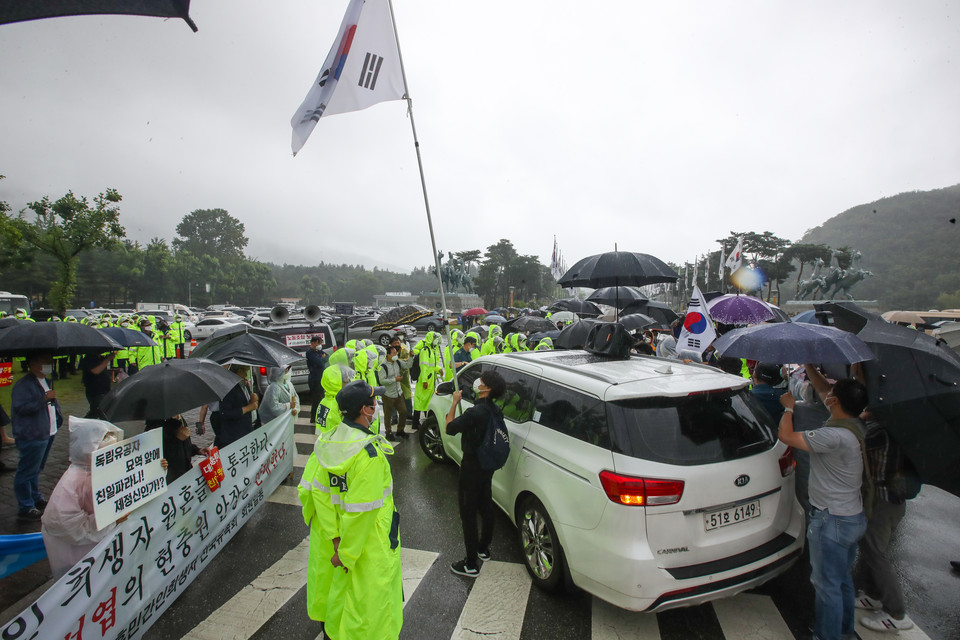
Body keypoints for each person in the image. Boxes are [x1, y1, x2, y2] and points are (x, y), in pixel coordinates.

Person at [778, 369, 870, 640]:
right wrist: (809, 365)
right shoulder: (855, 424)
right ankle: (845, 632)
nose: (826, 395)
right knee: (842, 580)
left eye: (831, 394)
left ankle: (826, 636)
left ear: (836, 402)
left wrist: (788, 409)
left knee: (826, 585)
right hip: (851, 516)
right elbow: (821, 389)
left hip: (831, 521)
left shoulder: (833, 437)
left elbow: (787, 437)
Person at [317, 381, 403, 640]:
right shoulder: (368, 455)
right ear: (366, 410)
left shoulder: (330, 442)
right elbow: (362, 512)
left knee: (344, 600)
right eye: (374, 402)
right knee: (372, 609)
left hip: (340, 540)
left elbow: (321, 496)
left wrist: (335, 540)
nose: (377, 406)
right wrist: (346, 555)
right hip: (370, 544)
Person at [41, 418, 131, 578]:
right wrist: (110, 522)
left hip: (103, 550)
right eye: (104, 437)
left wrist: (157, 468)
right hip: (78, 556)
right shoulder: (73, 481)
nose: (110, 440)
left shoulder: (106, 469)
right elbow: (63, 524)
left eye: (111, 435)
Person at [854, 413, 917, 633]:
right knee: (870, 549)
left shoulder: (879, 431)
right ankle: (874, 595)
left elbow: (854, 446)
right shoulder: (897, 425)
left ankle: (896, 613)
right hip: (891, 499)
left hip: (883, 501)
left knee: (875, 553)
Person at [445, 370, 507, 576]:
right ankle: (483, 548)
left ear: (487, 388)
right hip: (487, 465)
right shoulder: (495, 410)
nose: (478, 381)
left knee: (468, 513)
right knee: (486, 505)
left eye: (483, 380)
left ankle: (470, 564)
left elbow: (450, 428)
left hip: (472, 467)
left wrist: (454, 402)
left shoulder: (475, 413)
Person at [12, 352, 63, 521]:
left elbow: (51, 403)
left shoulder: (45, 381)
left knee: (35, 469)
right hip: (33, 435)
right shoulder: (23, 385)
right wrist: (44, 399)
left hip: (48, 432)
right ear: (33, 364)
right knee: (26, 471)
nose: (49, 364)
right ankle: (25, 506)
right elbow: (22, 408)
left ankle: (35, 497)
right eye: (45, 361)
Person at [146, 416, 207, 483]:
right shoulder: (155, 426)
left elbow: (186, 445)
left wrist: (198, 450)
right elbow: (159, 454)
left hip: (186, 471)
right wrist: (177, 440)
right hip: (172, 477)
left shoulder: (180, 419)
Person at [216, 365, 259, 448]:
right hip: (235, 435)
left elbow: (246, 402)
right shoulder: (229, 388)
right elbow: (225, 413)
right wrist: (248, 408)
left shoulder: (244, 384)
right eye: (245, 371)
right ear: (239, 371)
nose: (247, 374)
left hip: (248, 429)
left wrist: (253, 400)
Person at [379, 345, 411, 442]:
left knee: (404, 412)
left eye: (396, 353)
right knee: (388, 415)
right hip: (388, 395)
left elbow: (407, 365)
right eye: (393, 353)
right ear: (388, 355)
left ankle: (400, 430)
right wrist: (394, 380)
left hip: (398, 393)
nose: (395, 355)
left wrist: (411, 357)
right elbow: (382, 381)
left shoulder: (397, 362)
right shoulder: (383, 366)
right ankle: (388, 432)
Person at [411, 331, 441, 430]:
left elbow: (432, 366)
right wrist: (424, 381)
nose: (436, 340)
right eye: (434, 338)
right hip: (425, 380)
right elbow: (423, 366)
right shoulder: (425, 350)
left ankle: (427, 422)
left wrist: (439, 369)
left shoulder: (432, 350)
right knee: (421, 401)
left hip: (430, 379)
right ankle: (416, 423)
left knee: (427, 401)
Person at [79, 351, 116, 418]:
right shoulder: (89, 358)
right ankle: (80, 426)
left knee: (98, 412)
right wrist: (107, 359)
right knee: (98, 412)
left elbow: (102, 370)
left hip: (103, 389)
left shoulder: (99, 357)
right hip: (95, 391)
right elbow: (96, 371)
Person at [316, 364, 352, 433]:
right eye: (346, 382)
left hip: (324, 441)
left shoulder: (324, 401)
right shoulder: (339, 404)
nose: (348, 384)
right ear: (336, 383)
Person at [306, 336, 328, 425]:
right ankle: (313, 416)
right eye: (318, 343)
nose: (320, 345)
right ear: (313, 343)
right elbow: (319, 362)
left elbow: (327, 357)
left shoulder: (318, 351)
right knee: (316, 398)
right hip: (315, 378)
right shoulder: (310, 353)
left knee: (320, 397)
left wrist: (323, 358)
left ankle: (317, 415)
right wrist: (322, 358)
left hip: (321, 377)